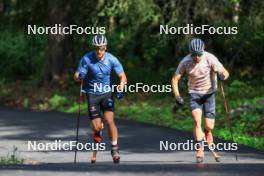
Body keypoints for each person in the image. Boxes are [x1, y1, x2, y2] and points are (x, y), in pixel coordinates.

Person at [171, 38, 229, 163]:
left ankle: (207, 132)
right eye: (194, 55)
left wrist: (222, 75)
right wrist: (177, 96)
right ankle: (200, 149)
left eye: (199, 55)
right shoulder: (185, 62)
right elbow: (175, 79)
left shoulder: (210, 58)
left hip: (209, 94)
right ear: (190, 53)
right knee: (197, 121)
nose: (196, 58)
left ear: (203, 51)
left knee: (209, 125)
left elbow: (225, 72)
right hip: (194, 94)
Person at [74, 35, 127, 163]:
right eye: (97, 48)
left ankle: (114, 148)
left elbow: (123, 77)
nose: (99, 51)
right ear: (94, 48)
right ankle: (98, 130)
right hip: (92, 95)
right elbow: (76, 75)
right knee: (97, 128)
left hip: (106, 94)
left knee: (109, 120)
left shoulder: (112, 59)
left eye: (102, 48)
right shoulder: (87, 59)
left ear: (105, 48)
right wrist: (79, 76)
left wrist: (120, 88)